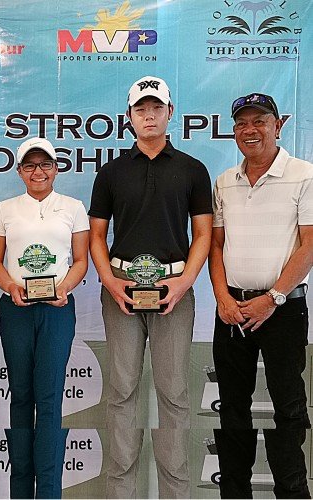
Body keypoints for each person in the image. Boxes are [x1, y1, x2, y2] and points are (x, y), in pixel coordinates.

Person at [88, 76, 213, 498]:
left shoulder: (193, 170)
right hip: (121, 289)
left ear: (170, 113)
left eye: (156, 108)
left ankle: (175, 494)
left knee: (174, 393)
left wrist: (184, 283)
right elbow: (96, 237)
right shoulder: (110, 172)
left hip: (174, 289)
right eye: (141, 109)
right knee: (122, 392)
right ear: (129, 117)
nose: (149, 115)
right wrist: (109, 281)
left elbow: (203, 236)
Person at [209, 92, 312, 498]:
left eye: (260, 121)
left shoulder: (304, 175)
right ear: (234, 131)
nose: (250, 130)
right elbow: (215, 246)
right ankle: (234, 493)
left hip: (283, 309)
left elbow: (308, 245)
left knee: (288, 408)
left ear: (278, 125)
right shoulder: (224, 182)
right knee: (232, 409)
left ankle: (292, 492)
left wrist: (272, 298)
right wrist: (222, 297)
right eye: (242, 124)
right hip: (232, 308)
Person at [0, 137, 89, 498]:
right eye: (30, 165)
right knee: (20, 398)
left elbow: (81, 261)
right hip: (16, 310)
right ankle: (19, 493)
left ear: (56, 168)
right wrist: (11, 288)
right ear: (19, 172)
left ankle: (48, 493)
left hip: (57, 310)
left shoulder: (73, 208)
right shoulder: (5, 209)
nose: (38, 172)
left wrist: (64, 288)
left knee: (49, 400)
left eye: (45, 164)